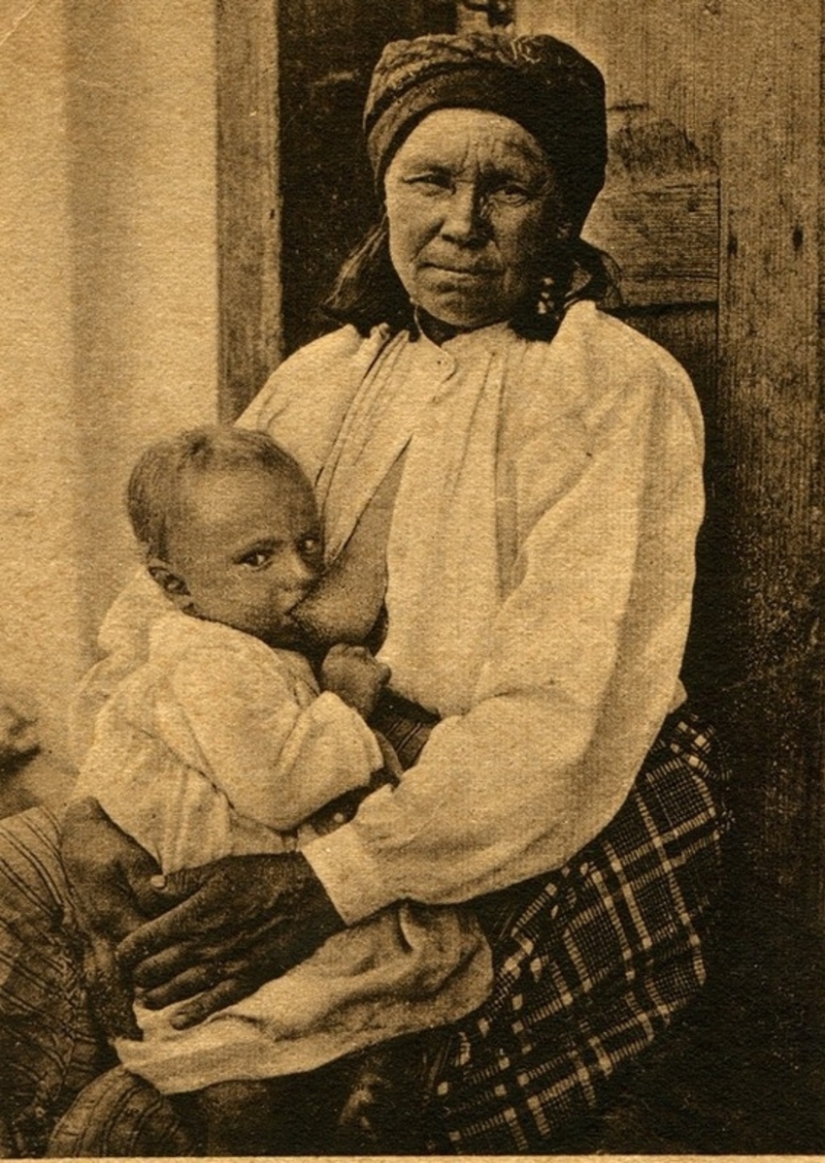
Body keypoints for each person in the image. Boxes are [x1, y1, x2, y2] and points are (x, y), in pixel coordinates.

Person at [0, 31, 729, 1156]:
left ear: (564, 208)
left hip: (456, 836)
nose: (462, 222)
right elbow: (165, 603)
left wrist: (328, 876)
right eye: (428, 181)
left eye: (510, 186)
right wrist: (102, 804)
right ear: (385, 190)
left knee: (125, 1131)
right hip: (244, 781)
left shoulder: (613, 387)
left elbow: (561, 715)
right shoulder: (324, 372)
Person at [66, 424, 490, 1152]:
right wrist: (346, 703)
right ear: (174, 585)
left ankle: (361, 1067)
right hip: (222, 864)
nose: (298, 574)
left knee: (329, 995)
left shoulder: (232, 637)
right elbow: (279, 786)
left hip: (253, 856)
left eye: (308, 545)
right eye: (258, 557)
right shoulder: (208, 661)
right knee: (261, 1020)